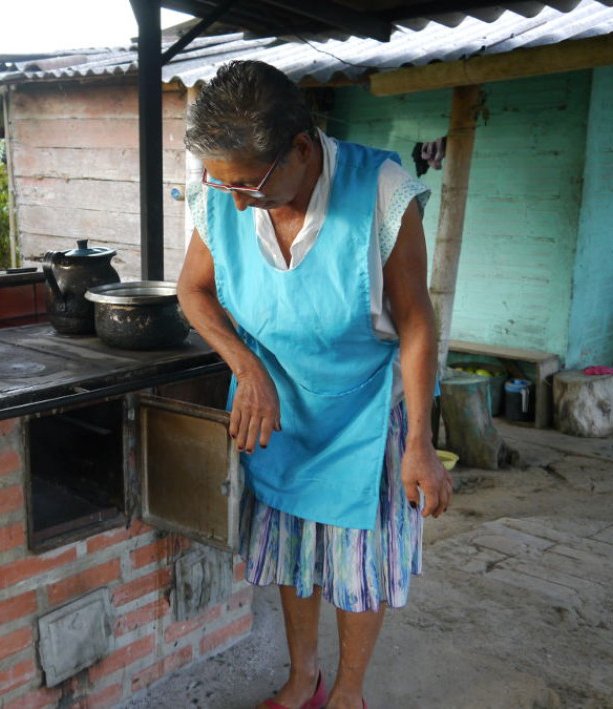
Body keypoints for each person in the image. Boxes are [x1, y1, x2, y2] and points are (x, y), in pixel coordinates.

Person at [178, 60, 453, 709]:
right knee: (293, 550)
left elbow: (415, 323)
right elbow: (192, 291)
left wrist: (419, 441)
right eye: (224, 186)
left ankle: (348, 694)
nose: (236, 200)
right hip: (278, 407)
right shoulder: (223, 196)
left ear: (301, 149)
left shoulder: (378, 189)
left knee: (358, 566)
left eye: (249, 184)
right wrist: (248, 368)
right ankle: (303, 680)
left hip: (362, 410)